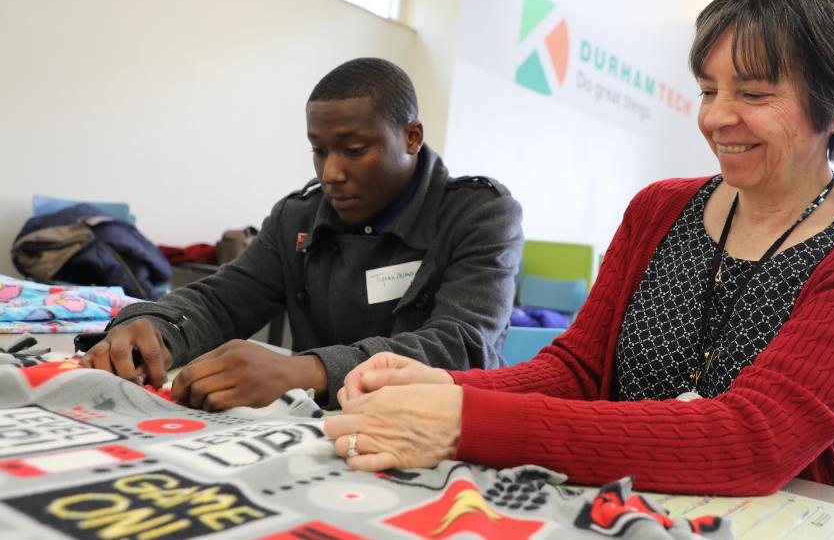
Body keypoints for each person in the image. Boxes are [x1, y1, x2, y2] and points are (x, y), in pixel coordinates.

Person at [323, 0, 834, 497]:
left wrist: (464, 419)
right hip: (626, 498)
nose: (718, 116)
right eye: (708, 90)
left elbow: (756, 442)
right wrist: (448, 385)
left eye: (753, 92)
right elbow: (579, 370)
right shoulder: (659, 209)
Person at [79, 58, 523, 410]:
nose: (331, 173)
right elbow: (221, 300)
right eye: (319, 150)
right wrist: (153, 328)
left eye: (354, 150)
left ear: (411, 137)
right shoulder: (300, 218)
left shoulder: (480, 214)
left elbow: (463, 347)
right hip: (314, 427)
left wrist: (305, 372)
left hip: (428, 427)